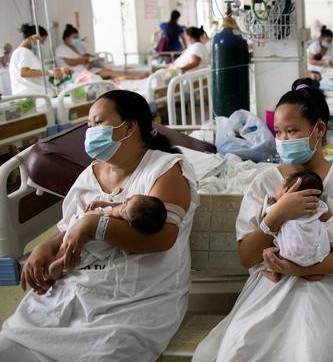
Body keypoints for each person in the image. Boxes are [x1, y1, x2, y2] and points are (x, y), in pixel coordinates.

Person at [193, 79, 333, 362]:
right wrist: (277, 215)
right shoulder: (264, 182)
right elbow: (247, 256)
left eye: (292, 131)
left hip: (328, 286)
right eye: (278, 132)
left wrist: (303, 269)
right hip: (270, 285)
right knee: (240, 349)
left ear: (319, 129)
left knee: (310, 349)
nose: (283, 140)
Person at [0, 90, 197, 361]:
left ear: (129, 126)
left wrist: (96, 224)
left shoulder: (164, 170)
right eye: (89, 125)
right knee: (9, 346)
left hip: (135, 299)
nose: (90, 131)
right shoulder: (89, 174)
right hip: (72, 289)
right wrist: (45, 246)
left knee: (104, 353)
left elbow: (162, 239)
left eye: (98, 122)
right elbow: (68, 227)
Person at [47, 194, 168, 279]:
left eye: (125, 209)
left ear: (130, 222)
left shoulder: (121, 222)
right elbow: (116, 205)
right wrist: (105, 204)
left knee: (63, 261)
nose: (124, 203)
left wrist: (99, 214)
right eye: (129, 199)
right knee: (63, 244)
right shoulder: (129, 208)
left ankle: (56, 268)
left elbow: (99, 224)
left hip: (87, 244)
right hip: (78, 226)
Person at [260, 170, 332, 283]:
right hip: (316, 254)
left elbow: (266, 218)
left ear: (287, 190)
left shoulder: (278, 207)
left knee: (272, 252)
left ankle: (274, 272)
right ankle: (312, 274)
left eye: (281, 185)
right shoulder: (317, 205)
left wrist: (275, 204)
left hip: (289, 253)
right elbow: (326, 216)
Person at [56, 24, 146, 80]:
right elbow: (71, 62)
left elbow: (82, 58)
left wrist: (89, 60)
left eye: (77, 37)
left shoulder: (76, 47)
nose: (76, 40)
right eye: (74, 37)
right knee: (107, 74)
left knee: (108, 71)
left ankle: (133, 77)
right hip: (75, 73)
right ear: (66, 38)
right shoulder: (61, 49)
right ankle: (133, 77)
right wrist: (84, 59)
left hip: (86, 69)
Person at [9, 23, 66, 95]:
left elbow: (35, 70)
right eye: (41, 41)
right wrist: (49, 72)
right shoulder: (23, 52)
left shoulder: (23, 52)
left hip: (35, 94)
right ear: (32, 38)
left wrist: (53, 70)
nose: (42, 44)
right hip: (33, 95)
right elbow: (24, 73)